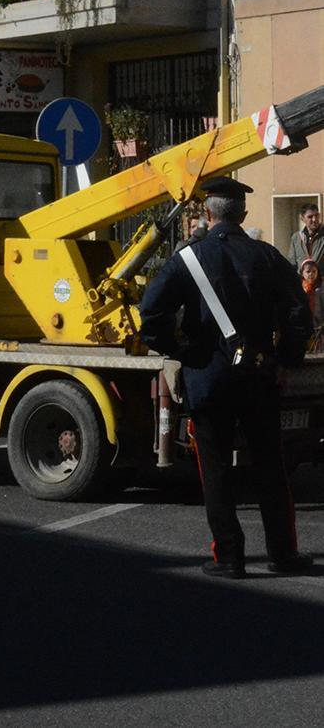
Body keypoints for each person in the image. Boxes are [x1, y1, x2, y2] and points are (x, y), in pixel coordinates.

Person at [139, 176, 313, 579]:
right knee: (271, 467)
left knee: (215, 472)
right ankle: (283, 555)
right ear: (244, 214)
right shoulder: (267, 256)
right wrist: (286, 358)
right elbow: (298, 313)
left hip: (208, 379)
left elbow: (151, 314)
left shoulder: (188, 259)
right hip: (259, 376)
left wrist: (180, 351)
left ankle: (230, 559)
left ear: (206, 213)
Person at [288, 203, 324, 271]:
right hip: (301, 280)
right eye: (310, 217)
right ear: (302, 218)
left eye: (316, 215)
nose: (314, 219)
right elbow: (292, 263)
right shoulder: (296, 238)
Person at [300, 258, 324, 354]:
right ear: (302, 273)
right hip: (304, 326)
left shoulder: (321, 288)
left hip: (319, 326)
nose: (311, 274)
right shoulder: (300, 288)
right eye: (308, 271)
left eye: (314, 271)